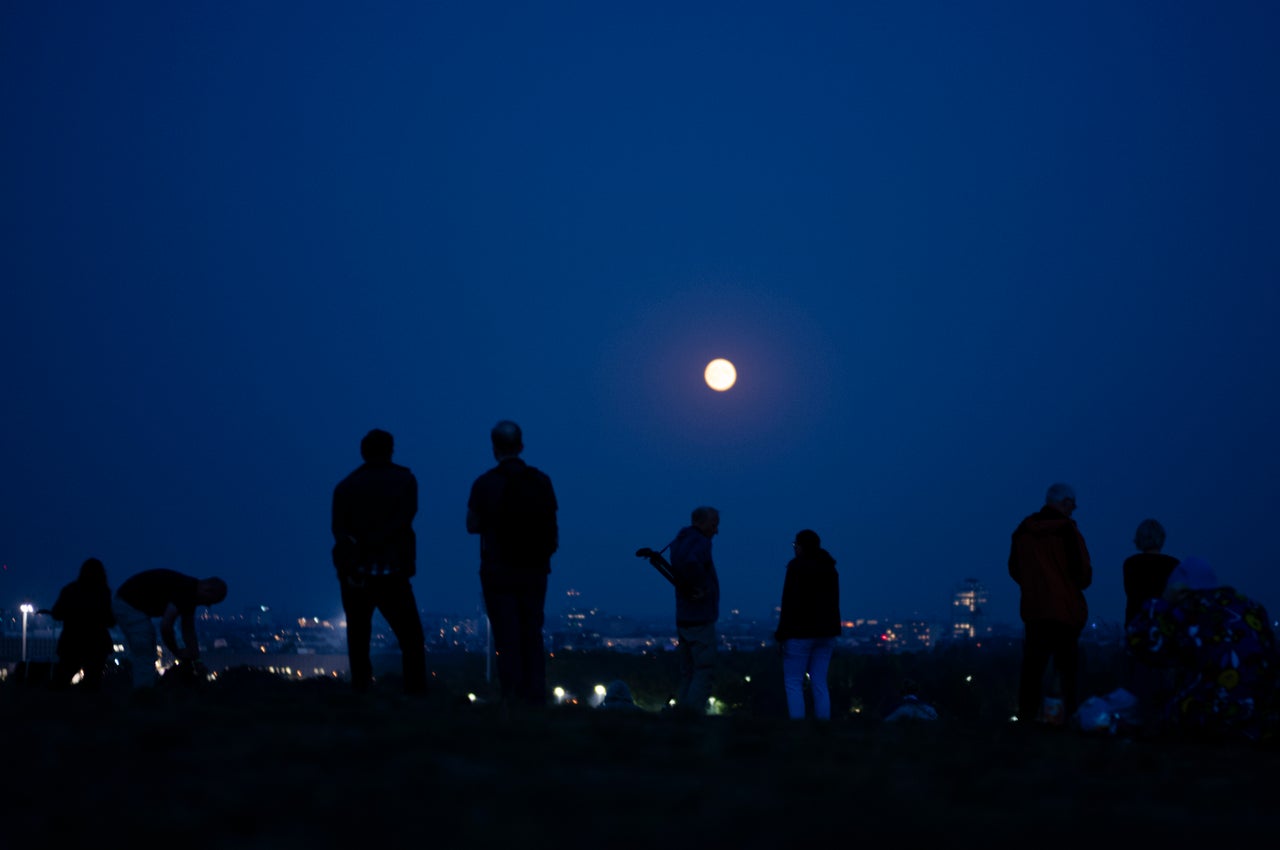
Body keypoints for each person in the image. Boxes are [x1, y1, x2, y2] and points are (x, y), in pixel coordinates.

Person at [1126, 556, 1279, 743]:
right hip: (1262, 719)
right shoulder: (1252, 609)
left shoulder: (1190, 610)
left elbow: (1140, 643)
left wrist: (1164, 601)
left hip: (1213, 717)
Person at [467, 420, 558, 707]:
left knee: (506, 636)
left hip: (498, 569)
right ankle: (535, 695)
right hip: (534, 569)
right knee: (531, 632)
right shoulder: (541, 481)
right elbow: (551, 527)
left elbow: (472, 524)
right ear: (520, 446)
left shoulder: (485, 483)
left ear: (495, 448)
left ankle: (512, 696)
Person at [332, 428, 428, 695]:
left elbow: (339, 530)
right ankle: (416, 693)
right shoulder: (405, 481)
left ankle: (361, 689)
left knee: (358, 638)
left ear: (363, 452)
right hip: (392, 572)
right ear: (390, 450)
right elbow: (406, 519)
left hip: (356, 574)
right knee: (411, 638)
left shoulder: (346, 486)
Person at [1008, 482, 1092, 725]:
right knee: (1067, 671)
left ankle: (1026, 717)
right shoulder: (1067, 531)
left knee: (1032, 669)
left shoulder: (1024, 531)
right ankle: (1067, 718)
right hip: (1065, 611)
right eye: (1071, 505)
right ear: (1065, 503)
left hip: (1035, 610)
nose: (1073, 510)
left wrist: (1034, 586)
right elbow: (1083, 574)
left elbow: (1014, 568)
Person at [112, 568, 227, 687]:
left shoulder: (190, 592)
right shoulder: (186, 591)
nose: (208, 606)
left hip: (127, 602)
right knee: (145, 650)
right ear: (207, 589)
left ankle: (144, 692)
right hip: (128, 604)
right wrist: (177, 652)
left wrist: (196, 661)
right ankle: (143, 695)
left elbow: (188, 631)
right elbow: (166, 626)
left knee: (146, 649)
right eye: (211, 601)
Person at [774, 528, 841, 720]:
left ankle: (798, 726)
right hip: (826, 633)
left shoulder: (796, 568)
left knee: (793, 682)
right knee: (819, 681)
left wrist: (781, 635)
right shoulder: (830, 568)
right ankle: (823, 725)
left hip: (799, 633)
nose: (794, 549)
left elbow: (789, 604)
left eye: (796, 545)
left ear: (802, 547)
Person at [1121, 518, 1179, 721]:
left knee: (1138, 678)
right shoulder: (1174, 565)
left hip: (1137, 627)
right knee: (1164, 679)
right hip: (1165, 628)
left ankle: (1137, 719)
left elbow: (1131, 593)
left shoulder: (1130, 565)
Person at [668, 506, 721, 714]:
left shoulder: (680, 541)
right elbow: (692, 563)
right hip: (700, 618)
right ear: (703, 522)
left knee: (688, 672)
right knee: (703, 670)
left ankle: (683, 715)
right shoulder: (700, 542)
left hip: (684, 617)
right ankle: (692, 716)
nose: (716, 530)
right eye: (714, 524)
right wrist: (702, 587)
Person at [49, 557, 116, 690]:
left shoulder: (70, 589)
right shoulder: (103, 592)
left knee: (60, 682)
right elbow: (110, 620)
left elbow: (56, 613)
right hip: (97, 643)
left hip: (71, 641)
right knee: (92, 683)